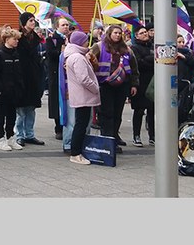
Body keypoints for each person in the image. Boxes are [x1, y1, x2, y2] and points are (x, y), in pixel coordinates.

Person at [90, 25, 139, 153]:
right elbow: (89, 61)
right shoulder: (99, 46)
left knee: (118, 114)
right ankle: (107, 139)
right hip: (105, 85)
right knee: (107, 113)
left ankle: (114, 136)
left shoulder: (127, 49)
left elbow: (134, 68)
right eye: (115, 33)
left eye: (119, 33)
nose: (117, 35)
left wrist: (134, 84)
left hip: (121, 86)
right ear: (109, 34)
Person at [64, 31, 100, 165]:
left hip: (81, 95)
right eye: (85, 40)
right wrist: (95, 88)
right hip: (83, 95)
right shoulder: (77, 57)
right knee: (81, 124)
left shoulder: (75, 55)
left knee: (81, 123)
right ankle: (76, 153)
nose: (87, 42)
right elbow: (83, 78)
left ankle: (77, 151)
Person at [0, 28, 25, 152]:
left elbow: (19, 73)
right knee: (1, 116)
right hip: (3, 92)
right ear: (6, 39)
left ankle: (10, 136)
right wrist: (0, 88)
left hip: (14, 92)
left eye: (17, 39)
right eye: (14, 39)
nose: (16, 42)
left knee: (12, 116)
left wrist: (20, 87)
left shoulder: (16, 54)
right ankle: (0, 138)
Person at [15, 12, 46, 146]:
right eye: (31, 20)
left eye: (34, 20)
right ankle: (19, 134)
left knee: (31, 108)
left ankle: (29, 134)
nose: (33, 23)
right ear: (24, 23)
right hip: (21, 75)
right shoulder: (18, 37)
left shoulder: (36, 38)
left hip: (34, 75)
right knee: (21, 109)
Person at [45, 17, 70, 141]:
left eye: (67, 25)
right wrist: (62, 50)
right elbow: (50, 54)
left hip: (69, 75)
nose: (66, 27)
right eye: (63, 25)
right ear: (57, 27)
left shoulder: (71, 38)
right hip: (56, 74)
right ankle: (58, 127)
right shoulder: (52, 39)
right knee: (57, 100)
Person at [130, 25, 155, 147]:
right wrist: (152, 59)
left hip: (152, 82)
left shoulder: (153, 46)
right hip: (140, 82)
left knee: (152, 110)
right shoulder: (134, 48)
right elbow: (139, 63)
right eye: (142, 32)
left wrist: (148, 59)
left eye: (146, 32)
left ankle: (152, 135)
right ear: (136, 35)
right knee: (139, 111)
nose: (145, 34)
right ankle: (136, 135)